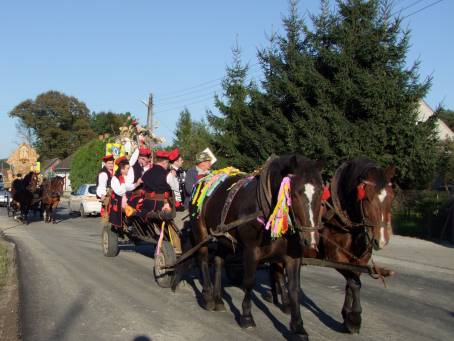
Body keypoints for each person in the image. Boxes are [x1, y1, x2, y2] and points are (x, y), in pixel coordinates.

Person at [139, 150, 172, 215]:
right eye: (167, 163)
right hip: (160, 206)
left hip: (146, 204)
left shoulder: (147, 172)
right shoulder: (167, 174)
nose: (167, 165)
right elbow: (171, 190)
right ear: (165, 162)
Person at [109, 156, 130, 227]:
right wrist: (124, 184)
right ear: (122, 169)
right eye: (127, 168)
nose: (128, 170)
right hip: (119, 201)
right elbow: (119, 192)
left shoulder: (127, 176)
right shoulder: (115, 178)